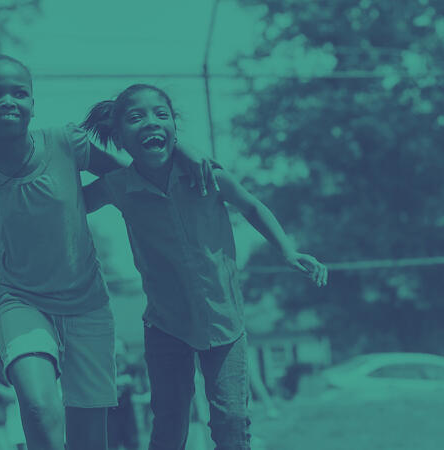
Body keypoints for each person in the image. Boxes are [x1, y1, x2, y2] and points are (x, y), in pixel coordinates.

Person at [0, 55, 217, 450]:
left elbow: (133, 171)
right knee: (39, 407)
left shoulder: (65, 143)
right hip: (22, 302)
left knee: (89, 440)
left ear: (33, 103)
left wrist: (180, 148)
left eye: (19, 93)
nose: (8, 101)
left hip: (87, 305)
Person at [81, 84, 328, 450]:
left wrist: (287, 251)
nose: (151, 122)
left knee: (231, 421)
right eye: (137, 117)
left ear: (174, 129)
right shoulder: (118, 187)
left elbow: (252, 206)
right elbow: (69, 201)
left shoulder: (207, 175)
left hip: (223, 321)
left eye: (161, 115)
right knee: (169, 425)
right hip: (166, 325)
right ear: (118, 134)